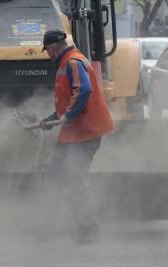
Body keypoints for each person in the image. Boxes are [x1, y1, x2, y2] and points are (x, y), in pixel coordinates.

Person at [39, 30, 114, 244]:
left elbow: (83, 91)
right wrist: (51, 119)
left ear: (54, 47)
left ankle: (89, 230)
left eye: (48, 51)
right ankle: (44, 225)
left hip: (86, 132)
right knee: (54, 175)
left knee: (76, 179)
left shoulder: (73, 62)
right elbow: (68, 101)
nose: (48, 55)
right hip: (73, 132)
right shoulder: (68, 63)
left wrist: (68, 116)